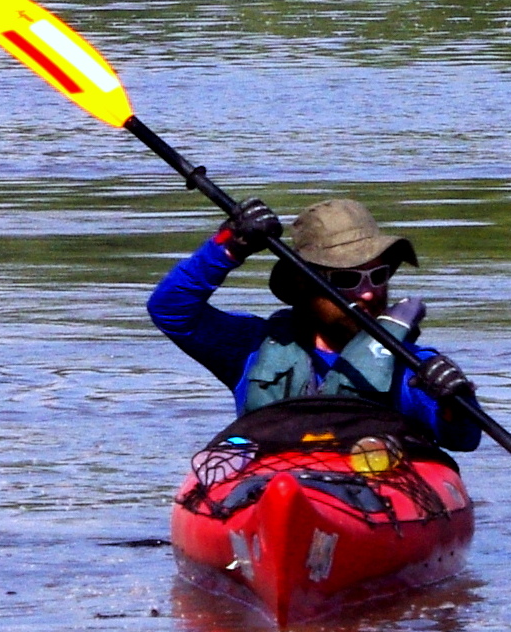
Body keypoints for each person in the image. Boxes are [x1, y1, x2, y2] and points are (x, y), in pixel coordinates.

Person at [147, 194, 485, 453]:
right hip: (273, 492)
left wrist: (456, 402)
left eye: (377, 276)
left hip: (369, 504)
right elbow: (170, 309)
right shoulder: (248, 348)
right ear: (302, 285)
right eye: (348, 278)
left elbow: (463, 438)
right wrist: (229, 246)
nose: (368, 294)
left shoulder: (411, 367)